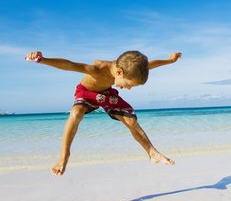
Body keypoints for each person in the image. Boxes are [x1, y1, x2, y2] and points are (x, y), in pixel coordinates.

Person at [25, 50, 182, 176]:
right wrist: (42, 59)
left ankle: (152, 152)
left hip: (107, 94)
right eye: (129, 84)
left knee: (131, 121)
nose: (129, 88)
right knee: (76, 114)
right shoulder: (97, 69)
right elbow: (69, 65)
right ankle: (63, 157)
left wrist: (171, 61)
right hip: (86, 93)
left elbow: (150, 64)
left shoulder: (131, 68)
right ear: (119, 72)